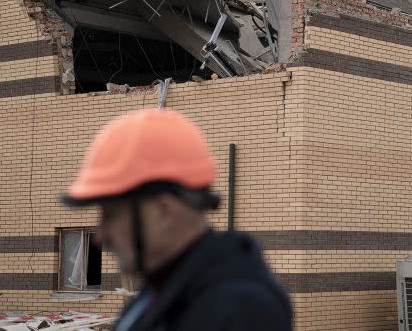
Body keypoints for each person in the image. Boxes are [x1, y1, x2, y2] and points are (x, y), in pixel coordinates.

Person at [62, 108, 292, 331]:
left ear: (164, 211)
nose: (100, 235)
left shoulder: (240, 309)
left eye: (111, 214)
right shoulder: (161, 293)